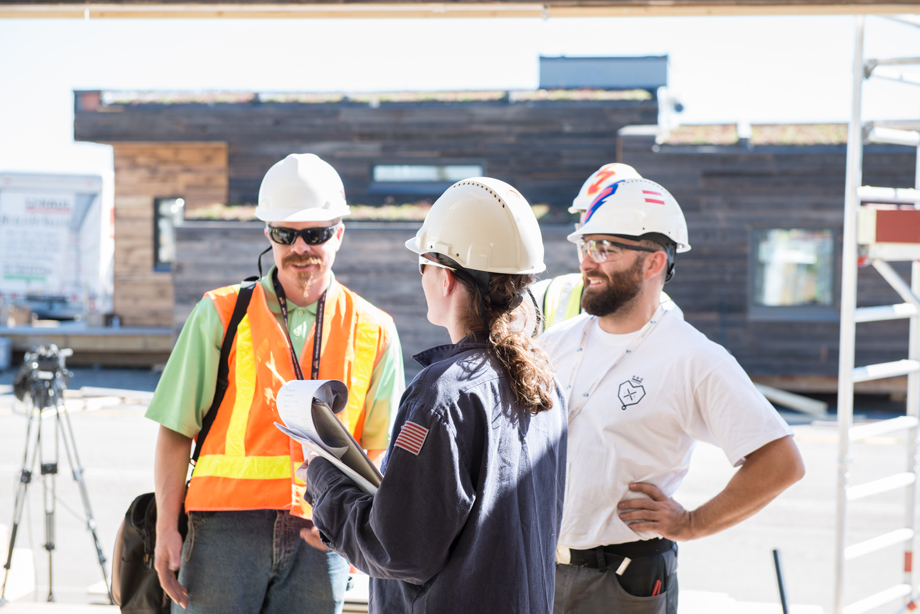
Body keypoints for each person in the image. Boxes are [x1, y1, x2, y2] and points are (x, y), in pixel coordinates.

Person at [147, 153, 405, 614]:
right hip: (222, 533)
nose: (301, 248)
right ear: (269, 235)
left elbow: (378, 449)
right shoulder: (220, 314)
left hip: (322, 533)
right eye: (286, 235)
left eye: (316, 234)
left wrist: (357, 530)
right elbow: (175, 427)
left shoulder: (376, 329)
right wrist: (167, 526)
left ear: (338, 235)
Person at [301, 177, 568, 613]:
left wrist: (323, 476)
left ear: (444, 276)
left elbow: (397, 548)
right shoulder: (543, 384)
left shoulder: (444, 394)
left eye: (421, 263)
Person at [540, 176, 805, 614]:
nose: (587, 263)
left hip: (625, 582)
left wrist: (692, 523)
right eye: (585, 246)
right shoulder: (556, 341)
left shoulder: (693, 357)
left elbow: (781, 463)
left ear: (653, 263)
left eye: (605, 248)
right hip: (541, 568)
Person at [531, 163, 683, 329]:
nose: (587, 260)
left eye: (606, 247)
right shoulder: (546, 296)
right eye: (586, 239)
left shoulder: (668, 318)